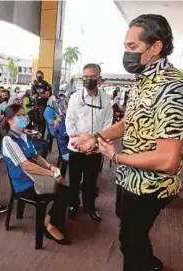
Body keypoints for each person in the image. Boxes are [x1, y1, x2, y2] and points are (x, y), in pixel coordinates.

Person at [72, 15, 183, 271]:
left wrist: (115, 157)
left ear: (156, 47)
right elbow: (129, 122)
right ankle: (150, 262)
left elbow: (168, 160)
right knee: (129, 231)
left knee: (130, 241)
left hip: (150, 186)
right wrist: (95, 137)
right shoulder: (142, 80)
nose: (126, 53)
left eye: (132, 47)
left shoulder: (173, 86)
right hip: (129, 176)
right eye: (125, 46)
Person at [1, 104, 71, 244]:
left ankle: (49, 220)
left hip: (36, 178)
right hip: (24, 184)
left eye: (23, 114)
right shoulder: (9, 140)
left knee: (68, 191)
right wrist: (50, 174)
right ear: (9, 120)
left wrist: (50, 166)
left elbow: (36, 157)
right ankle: (50, 227)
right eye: (18, 115)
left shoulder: (24, 136)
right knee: (63, 191)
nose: (23, 118)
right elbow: (26, 165)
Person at [65, 63, 111, 222]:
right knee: (74, 181)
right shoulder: (75, 97)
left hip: (95, 149)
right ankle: (73, 205)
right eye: (86, 77)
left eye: (92, 77)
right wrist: (81, 142)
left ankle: (90, 207)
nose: (89, 79)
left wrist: (95, 143)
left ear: (99, 78)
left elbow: (108, 123)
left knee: (91, 181)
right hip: (76, 148)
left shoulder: (105, 99)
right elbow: (69, 123)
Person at [31, 71, 52, 137]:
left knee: (42, 119)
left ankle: (42, 134)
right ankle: (37, 133)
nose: (38, 77)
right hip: (36, 104)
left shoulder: (46, 85)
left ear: (43, 76)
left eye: (40, 76)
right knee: (36, 120)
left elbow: (47, 95)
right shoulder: (34, 85)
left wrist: (39, 94)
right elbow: (33, 95)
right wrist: (39, 95)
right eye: (37, 76)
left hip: (43, 104)